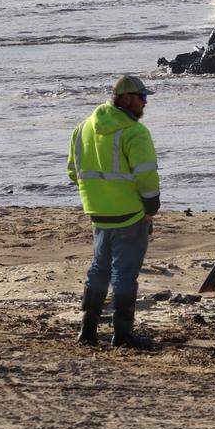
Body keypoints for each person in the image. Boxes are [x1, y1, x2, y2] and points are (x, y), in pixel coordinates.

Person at [67, 75, 161, 348]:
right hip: (130, 214)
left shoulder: (83, 128)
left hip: (97, 212)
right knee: (124, 273)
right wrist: (151, 209)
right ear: (127, 98)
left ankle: (87, 330)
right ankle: (122, 334)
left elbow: (74, 172)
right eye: (142, 98)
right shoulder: (135, 132)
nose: (145, 103)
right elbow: (147, 179)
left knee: (99, 269)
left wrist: (99, 195)